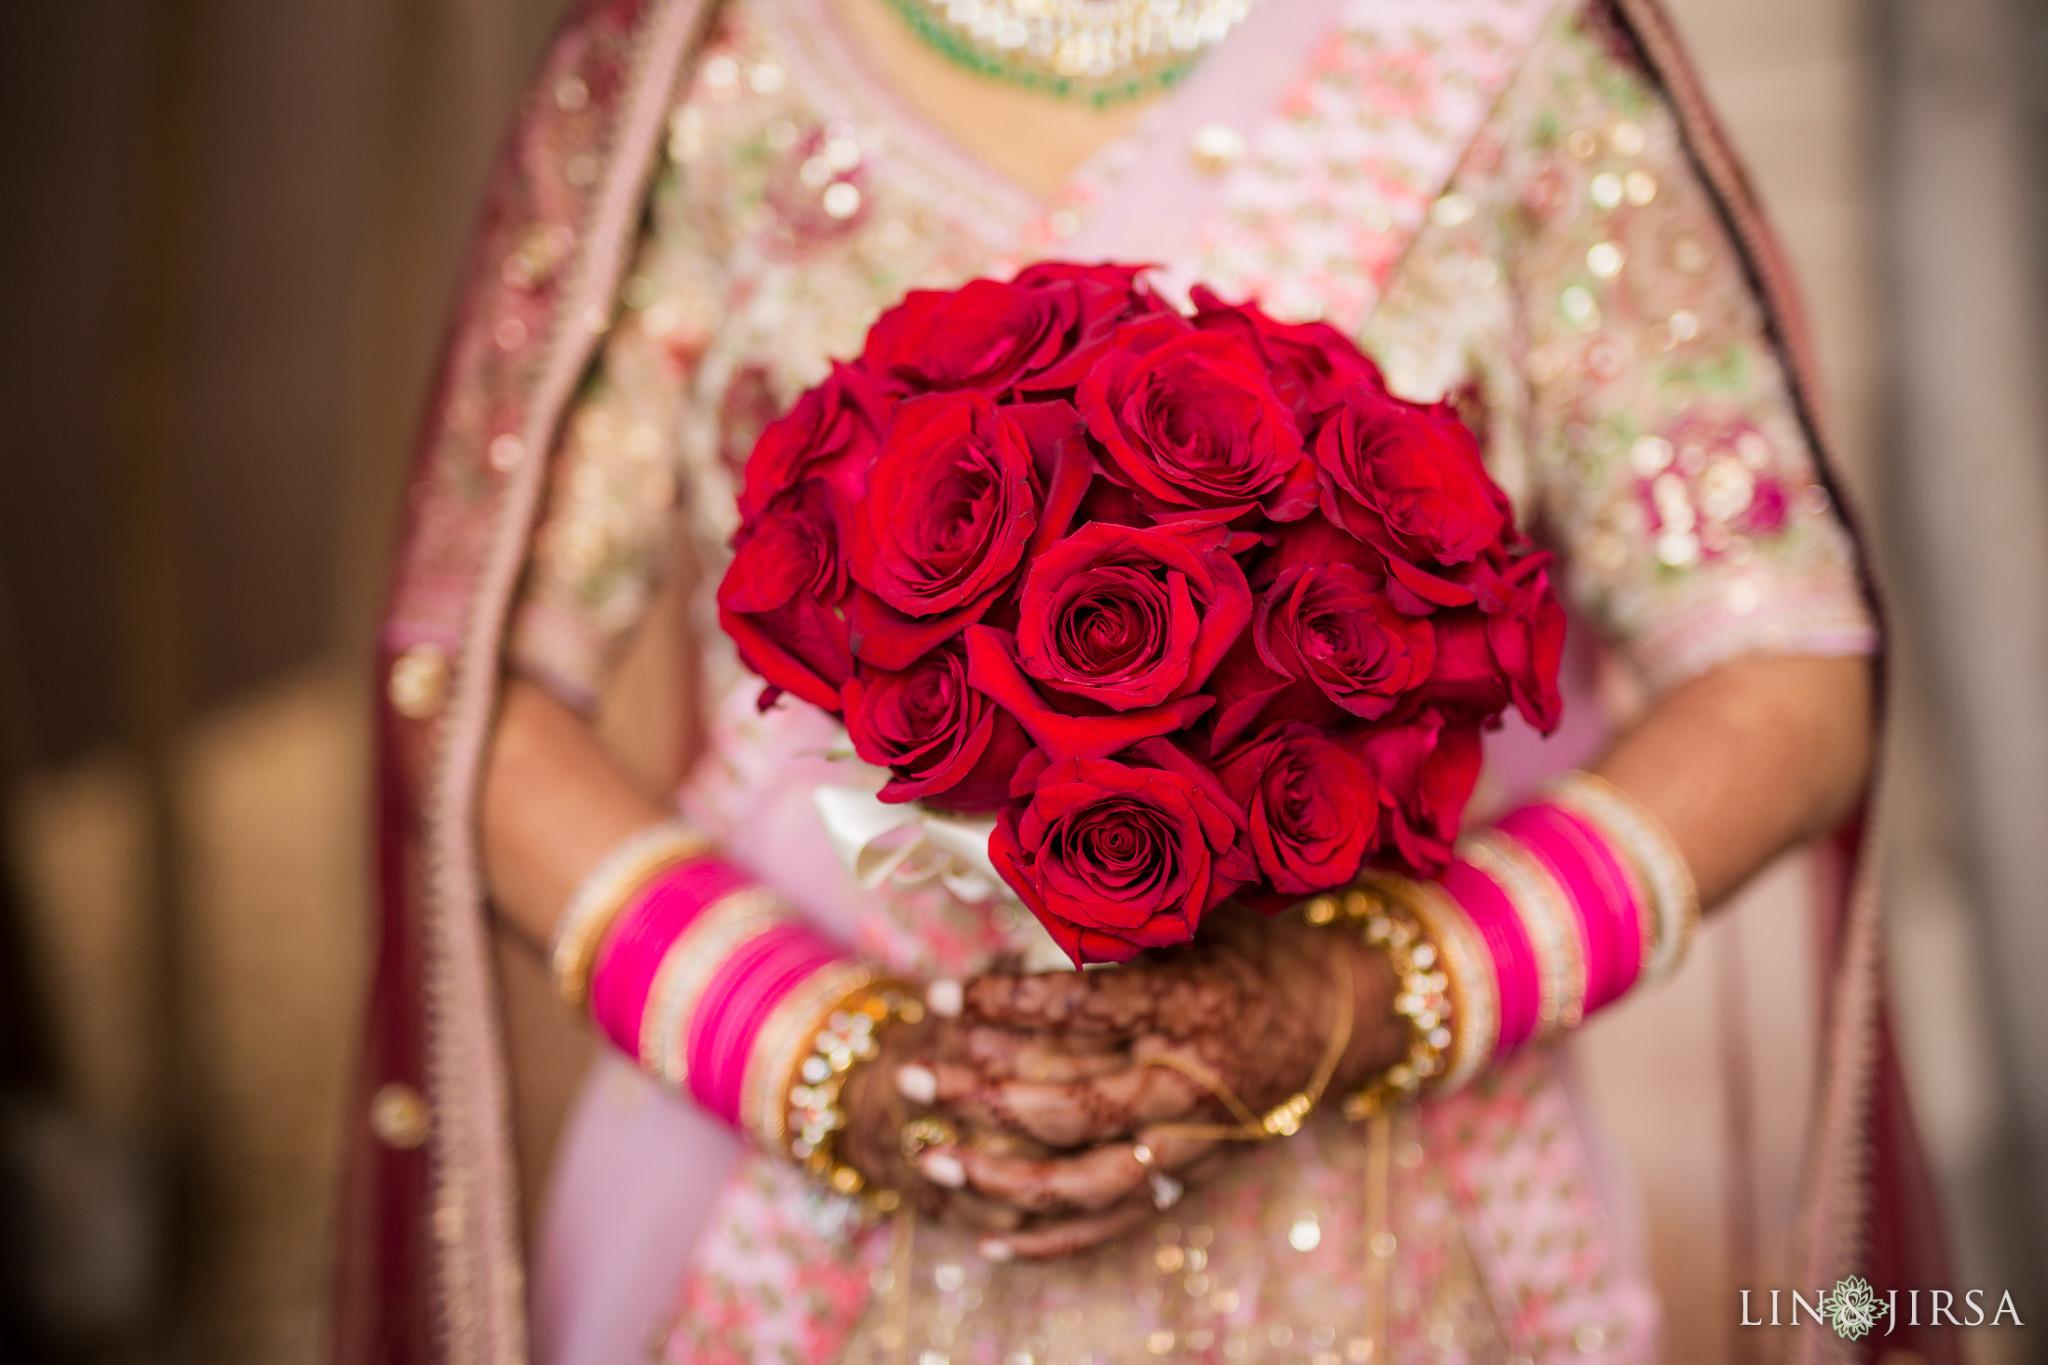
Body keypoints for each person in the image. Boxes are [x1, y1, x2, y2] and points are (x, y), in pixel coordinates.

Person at [335, 0, 1954, 1361]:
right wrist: (821, 1051)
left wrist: (1364, 998)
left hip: (1385, 1225)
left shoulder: (1497, 56)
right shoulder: (711, 73)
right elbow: (473, 694)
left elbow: (1785, 669)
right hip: (808, 1223)